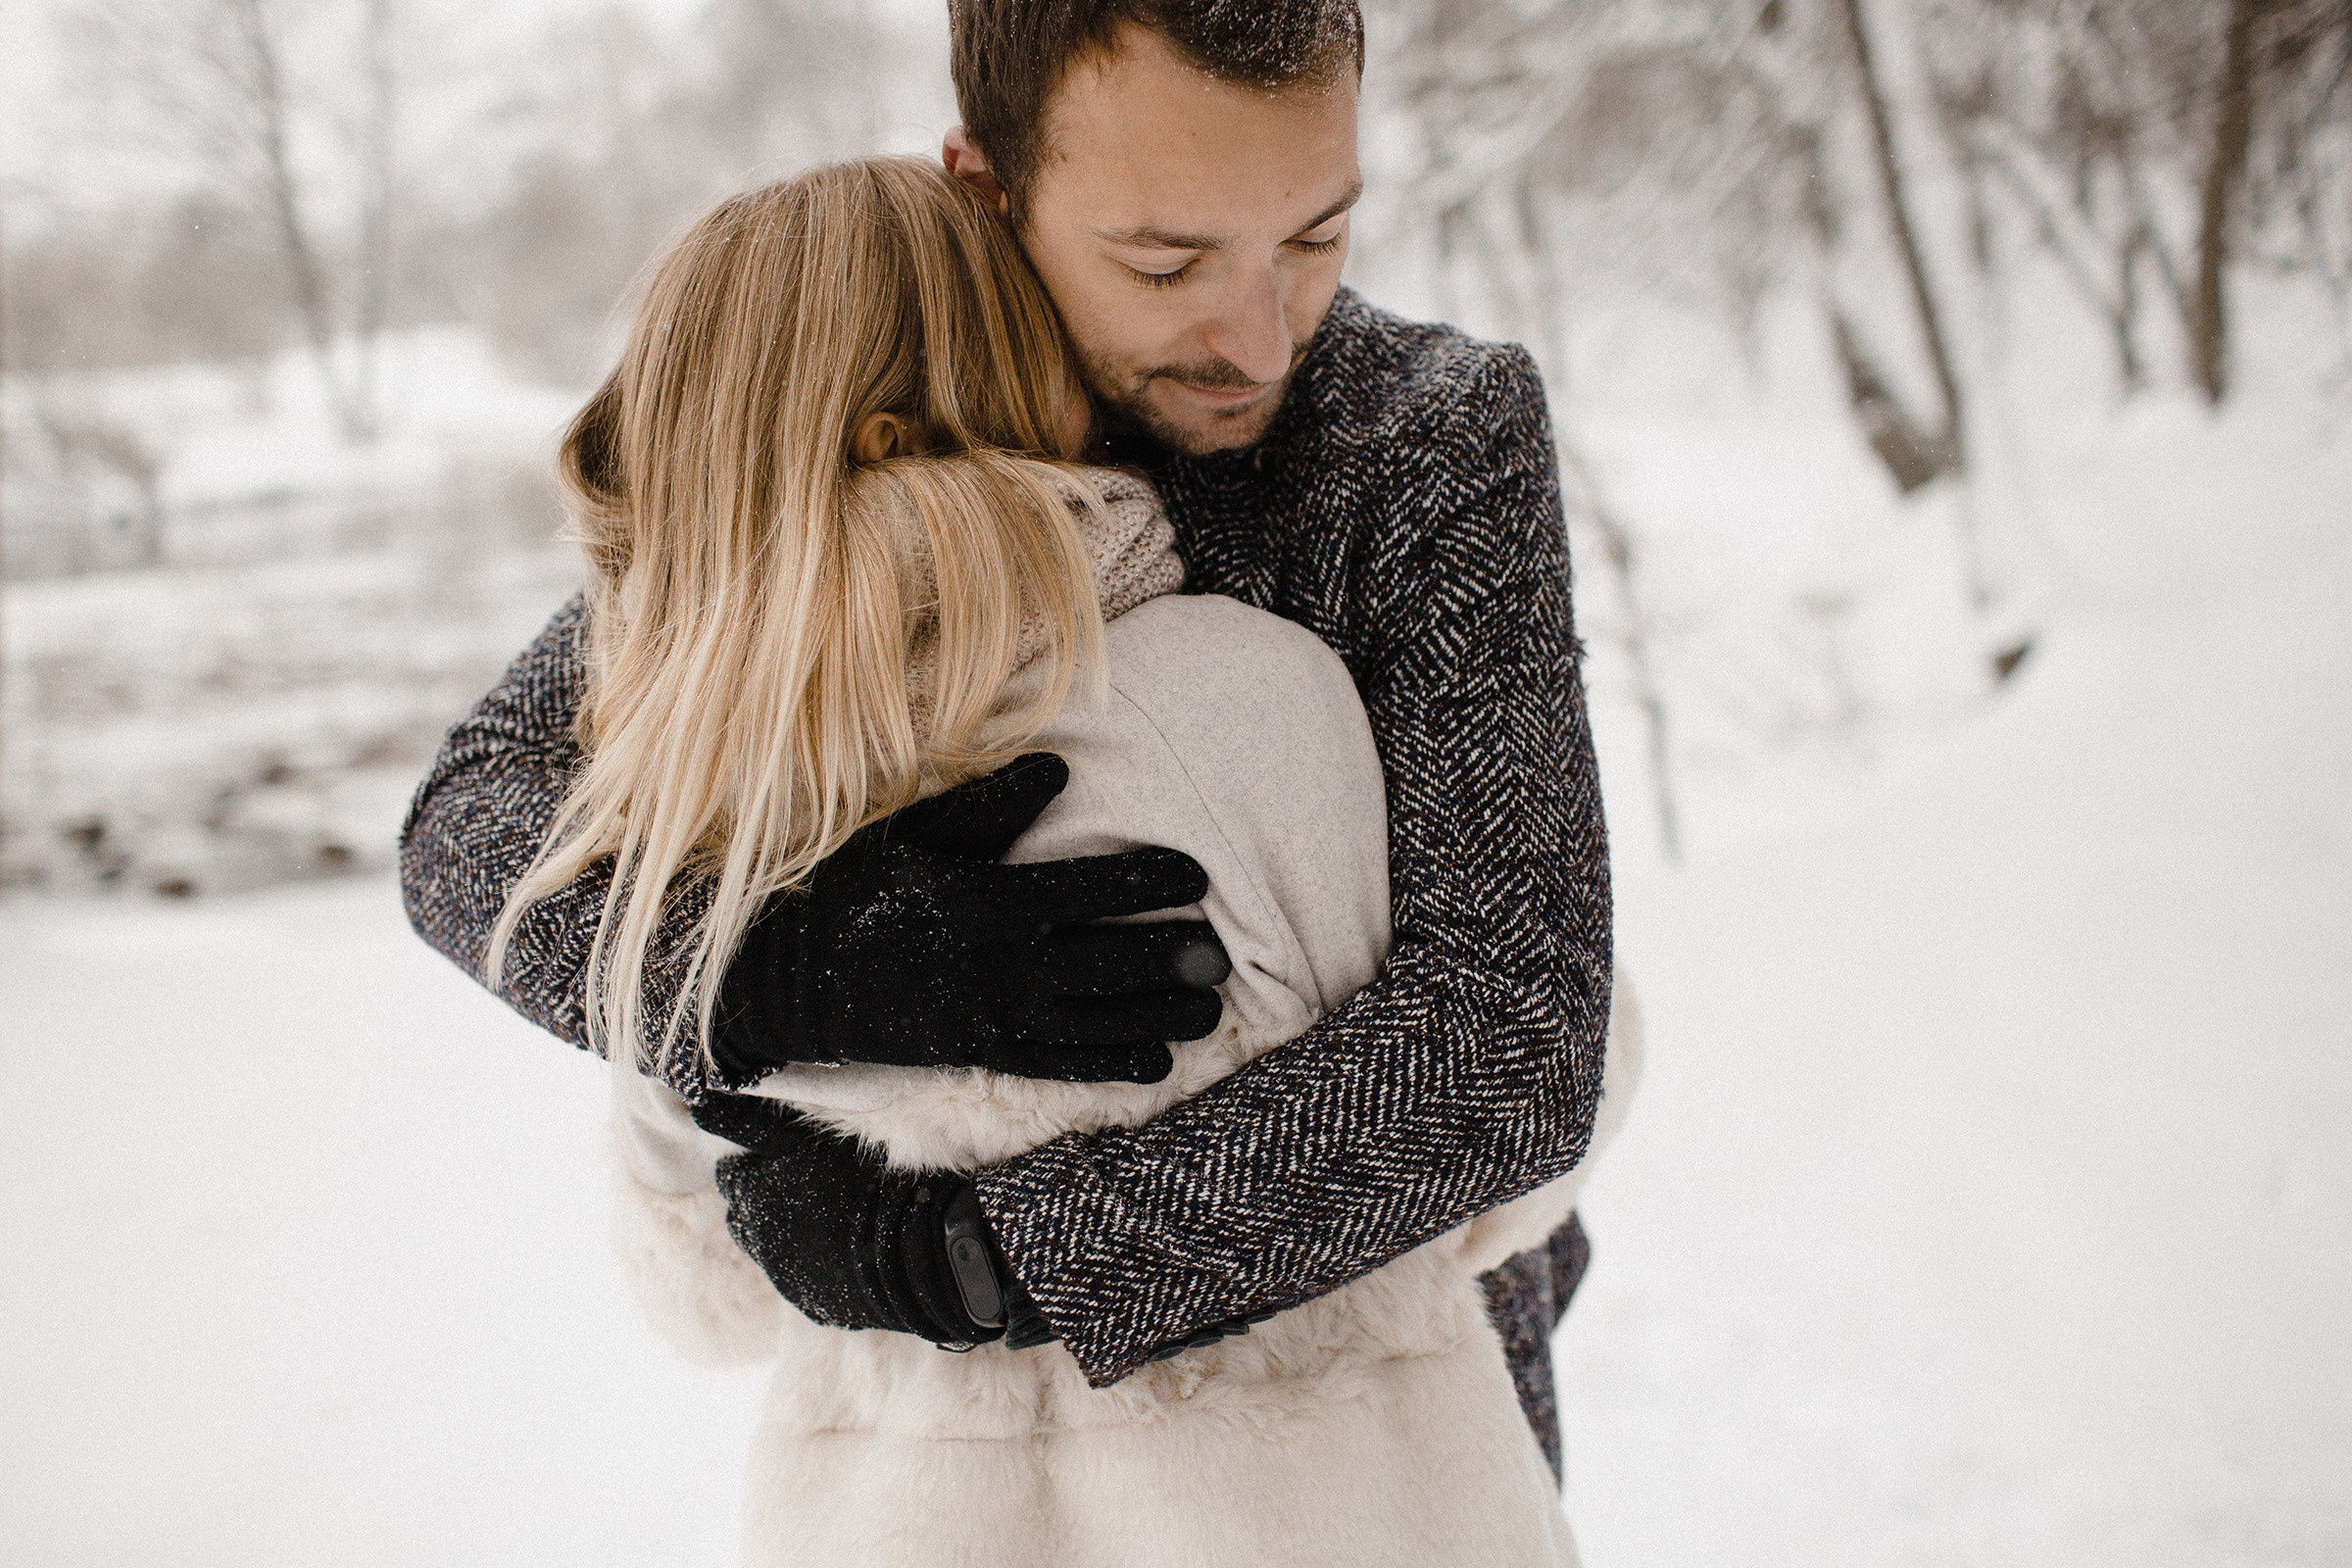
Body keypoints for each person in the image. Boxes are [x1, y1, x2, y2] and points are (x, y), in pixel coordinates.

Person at [399, 0, 1612, 1483]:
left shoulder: (1424, 436)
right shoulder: (871, 390)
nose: (1257, 335)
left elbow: (1518, 1047)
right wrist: (769, 970)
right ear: (989, 184)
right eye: (1163, 262)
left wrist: (987, 1259)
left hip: (1375, 1408)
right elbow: (470, 817)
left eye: (1315, 237)